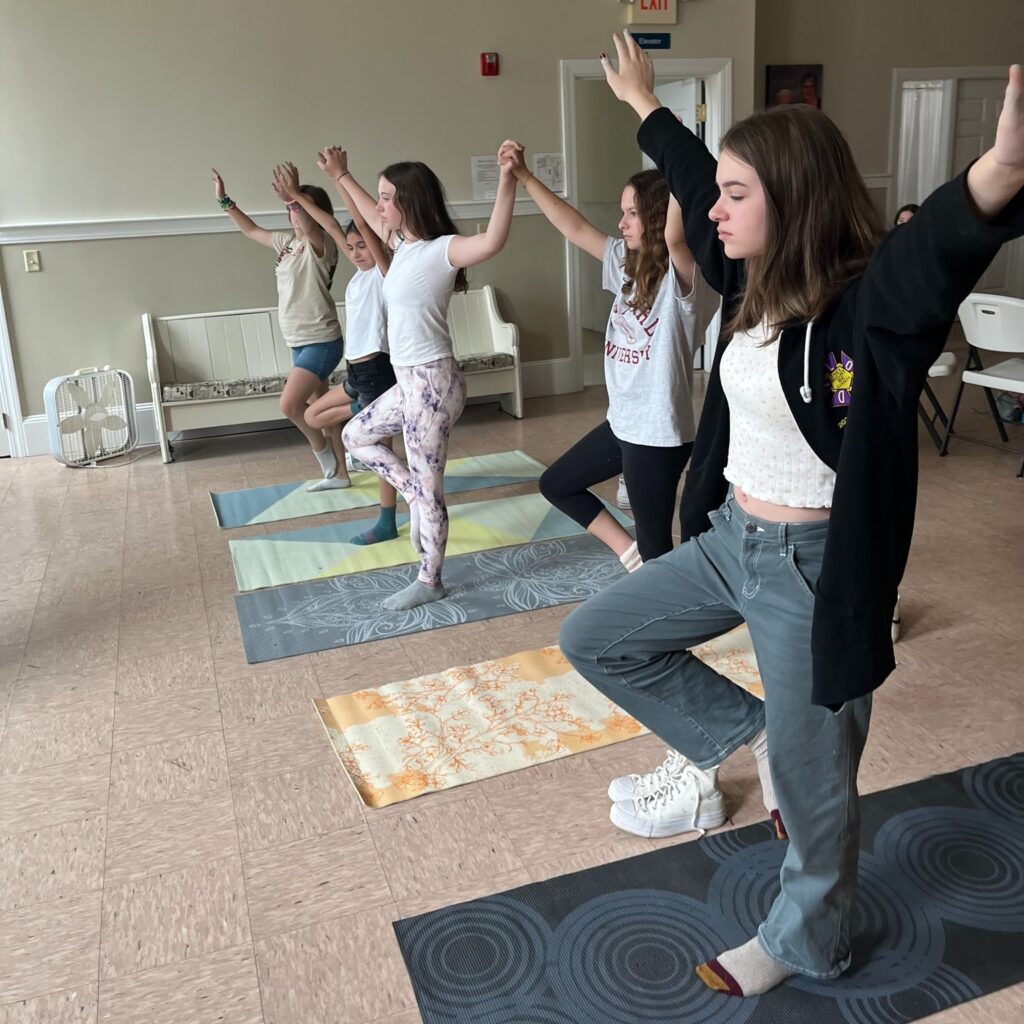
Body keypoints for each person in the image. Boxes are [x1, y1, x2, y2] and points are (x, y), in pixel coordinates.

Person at [560, 33, 1024, 999]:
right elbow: (690, 178)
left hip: (815, 571)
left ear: (793, 197)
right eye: (718, 193)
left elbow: (926, 261)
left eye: (737, 195)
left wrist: (995, 176)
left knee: (818, 800)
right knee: (599, 637)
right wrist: (644, 103)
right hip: (734, 542)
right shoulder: (747, 282)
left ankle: (810, 938)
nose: (712, 211)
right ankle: (759, 735)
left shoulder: (863, 317)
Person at [501, 143, 717, 569]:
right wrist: (524, 177)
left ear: (656, 215)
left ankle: (669, 627)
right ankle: (628, 553)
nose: (621, 223)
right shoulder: (624, 261)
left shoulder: (685, 277)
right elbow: (576, 229)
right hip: (624, 423)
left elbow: (675, 237)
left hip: (657, 435)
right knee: (558, 484)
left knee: (659, 547)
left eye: (632, 213)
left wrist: (674, 157)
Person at [328, 144, 518, 610]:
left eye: (386, 197)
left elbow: (491, 241)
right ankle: (413, 496)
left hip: (432, 384)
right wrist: (341, 176)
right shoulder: (402, 247)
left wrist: (508, 181)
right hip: (411, 383)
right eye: (378, 196)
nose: (378, 206)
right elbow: (366, 215)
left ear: (409, 203)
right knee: (355, 435)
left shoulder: (439, 252)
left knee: (431, 486)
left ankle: (430, 579)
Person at [272, 159, 401, 544]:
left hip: (379, 370)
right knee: (312, 415)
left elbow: (355, 224)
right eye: (352, 248)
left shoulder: (383, 273)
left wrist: (318, 187)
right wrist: (295, 199)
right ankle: (368, 410)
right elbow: (333, 227)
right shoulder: (360, 278)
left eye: (364, 245)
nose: (357, 251)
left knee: (382, 454)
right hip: (356, 374)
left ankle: (387, 520)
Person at [211, 167, 346, 486]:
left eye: (299, 208)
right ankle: (341, 472)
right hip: (298, 342)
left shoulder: (322, 245)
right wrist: (224, 201)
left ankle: (323, 453)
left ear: (316, 213)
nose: (293, 213)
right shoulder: (286, 243)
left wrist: (295, 195)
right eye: (289, 208)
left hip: (322, 341)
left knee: (290, 405)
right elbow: (251, 230)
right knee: (321, 409)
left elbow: (317, 227)